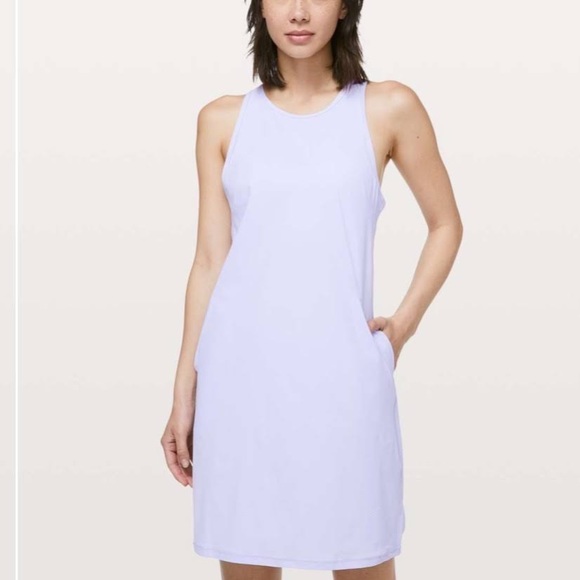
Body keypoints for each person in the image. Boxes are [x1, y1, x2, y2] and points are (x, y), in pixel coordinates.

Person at [161, 1, 463, 578]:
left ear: (346, 5)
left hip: (345, 383)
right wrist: (183, 393)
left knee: (361, 553)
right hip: (240, 386)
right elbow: (209, 261)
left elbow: (446, 224)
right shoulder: (221, 121)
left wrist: (400, 327)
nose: (299, 12)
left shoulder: (387, 107)